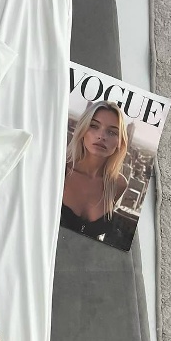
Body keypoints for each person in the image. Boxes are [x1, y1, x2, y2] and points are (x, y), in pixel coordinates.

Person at [61, 100, 129, 238]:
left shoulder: (118, 184)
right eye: (94, 126)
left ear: (120, 142)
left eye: (112, 132)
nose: (102, 136)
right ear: (82, 130)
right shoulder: (60, 170)